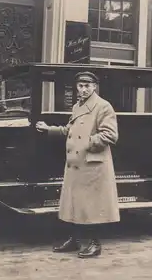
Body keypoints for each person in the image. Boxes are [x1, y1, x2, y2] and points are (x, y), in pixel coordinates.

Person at [36, 71, 120, 258]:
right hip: (76, 163)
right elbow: (69, 130)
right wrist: (48, 129)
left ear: (94, 87)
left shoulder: (103, 107)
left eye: (87, 86)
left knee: (91, 207)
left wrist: (87, 143)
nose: (83, 90)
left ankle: (94, 243)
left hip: (91, 165)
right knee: (73, 204)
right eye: (80, 86)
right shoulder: (77, 107)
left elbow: (111, 135)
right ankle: (74, 240)